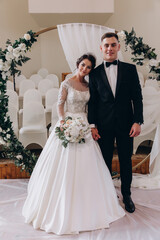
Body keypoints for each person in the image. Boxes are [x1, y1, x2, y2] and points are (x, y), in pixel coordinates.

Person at [22, 53, 125, 235]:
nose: (84, 69)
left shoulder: (88, 85)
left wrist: (89, 125)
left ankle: (89, 204)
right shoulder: (66, 83)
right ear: (78, 64)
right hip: (67, 123)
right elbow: (60, 105)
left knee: (88, 165)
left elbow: (89, 107)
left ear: (90, 70)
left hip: (84, 124)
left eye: (88, 67)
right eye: (83, 65)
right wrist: (64, 122)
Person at [88, 32, 143, 213]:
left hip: (126, 124)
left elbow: (137, 98)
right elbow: (93, 102)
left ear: (118, 47)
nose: (110, 48)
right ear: (101, 48)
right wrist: (92, 125)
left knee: (126, 160)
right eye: (106, 45)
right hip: (103, 126)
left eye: (113, 45)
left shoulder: (130, 69)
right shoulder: (94, 74)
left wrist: (137, 121)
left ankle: (126, 195)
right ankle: (107, 195)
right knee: (104, 161)